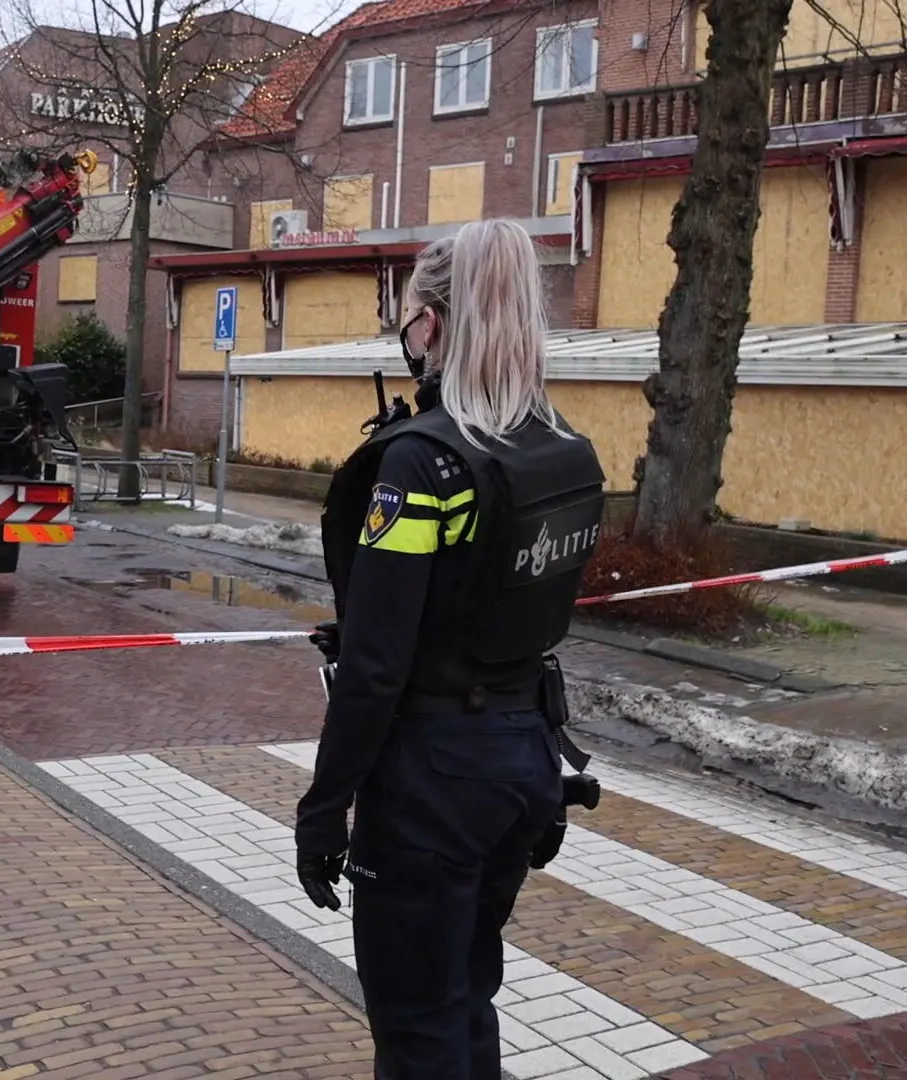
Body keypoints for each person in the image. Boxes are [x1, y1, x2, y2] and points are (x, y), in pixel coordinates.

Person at [294, 218, 607, 1080]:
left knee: (416, 1029)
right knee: (466, 998)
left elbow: (375, 668)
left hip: (431, 785)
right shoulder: (563, 452)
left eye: (406, 319)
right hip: (522, 764)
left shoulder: (423, 465)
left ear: (430, 326)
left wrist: (322, 811)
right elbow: (505, 607)